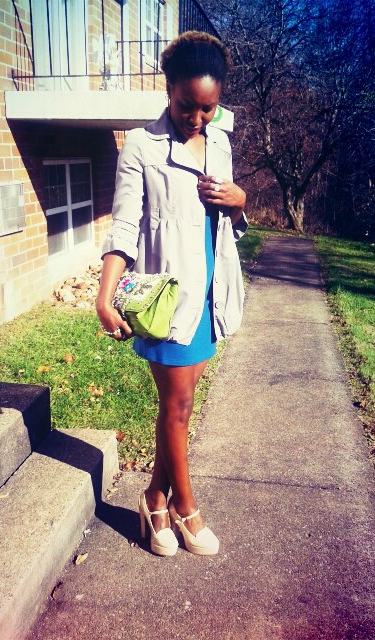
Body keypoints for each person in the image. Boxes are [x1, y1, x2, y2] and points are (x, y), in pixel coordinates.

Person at [96, 31, 248, 557]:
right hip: (168, 300)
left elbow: (230, 223)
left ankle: (153, 498)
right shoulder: (142, 145)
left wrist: (239, 201)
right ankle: (186, 508)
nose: (197, 118)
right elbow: (124, 227)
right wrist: (104, 296)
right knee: (177, 406)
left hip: (212, 294)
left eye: (208, 108)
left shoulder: (221, 142)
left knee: (178, 408)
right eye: (187, 105)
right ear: (168, 89)